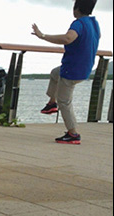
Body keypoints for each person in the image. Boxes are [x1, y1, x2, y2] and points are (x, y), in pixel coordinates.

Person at [32, 0, 101, 145]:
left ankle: (73, 133)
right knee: (54, 73)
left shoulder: (78, 23)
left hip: (72, 69)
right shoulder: (94, 24)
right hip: (84, 68)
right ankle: (52, 103)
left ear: (76, 9)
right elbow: (95, 38)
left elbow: (68, 38)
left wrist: (43, 35)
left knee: (65, 101)